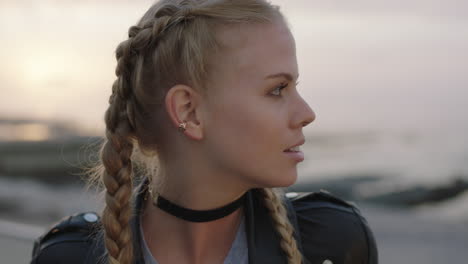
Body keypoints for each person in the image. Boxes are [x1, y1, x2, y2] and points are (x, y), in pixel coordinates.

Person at [30, 0, 378, 263]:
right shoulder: (67, 256)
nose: (307, 114)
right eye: (277, 89)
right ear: (189, 112)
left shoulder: (333, 242)